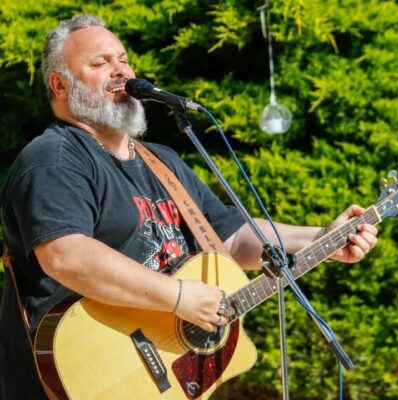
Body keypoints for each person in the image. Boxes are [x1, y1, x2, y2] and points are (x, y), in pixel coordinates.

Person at [0, 15, 378, 400]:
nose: (120, 71)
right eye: (100, 63)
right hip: (81, 377)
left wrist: (324, 239)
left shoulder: (161, 161)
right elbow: (66, 256)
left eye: (124, 60)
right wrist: (178, 297)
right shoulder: (54, 159)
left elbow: (231, 238)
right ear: (60, 85)